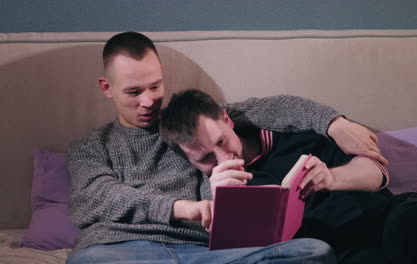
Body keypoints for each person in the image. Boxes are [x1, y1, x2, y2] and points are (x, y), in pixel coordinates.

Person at [67, 31, 386, 264]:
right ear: (107, 88)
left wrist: (334, 123)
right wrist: (182, 208)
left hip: (205, 254)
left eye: (155, 86)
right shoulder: (91, 146)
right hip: (121, 251)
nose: (149, 101)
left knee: (314, 252)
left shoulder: (191, 124)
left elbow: (275, 108)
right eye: (134, 92)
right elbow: (93, 198)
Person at [159, 89, 417, 264]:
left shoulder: (293, 129)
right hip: (339, 251)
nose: (224, 158)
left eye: (222, 142)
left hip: (389, 216)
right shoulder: (208, 188)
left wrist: (331, 177)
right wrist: (225, 205)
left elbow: (377, 172)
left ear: (227, 120)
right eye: (205, 159)